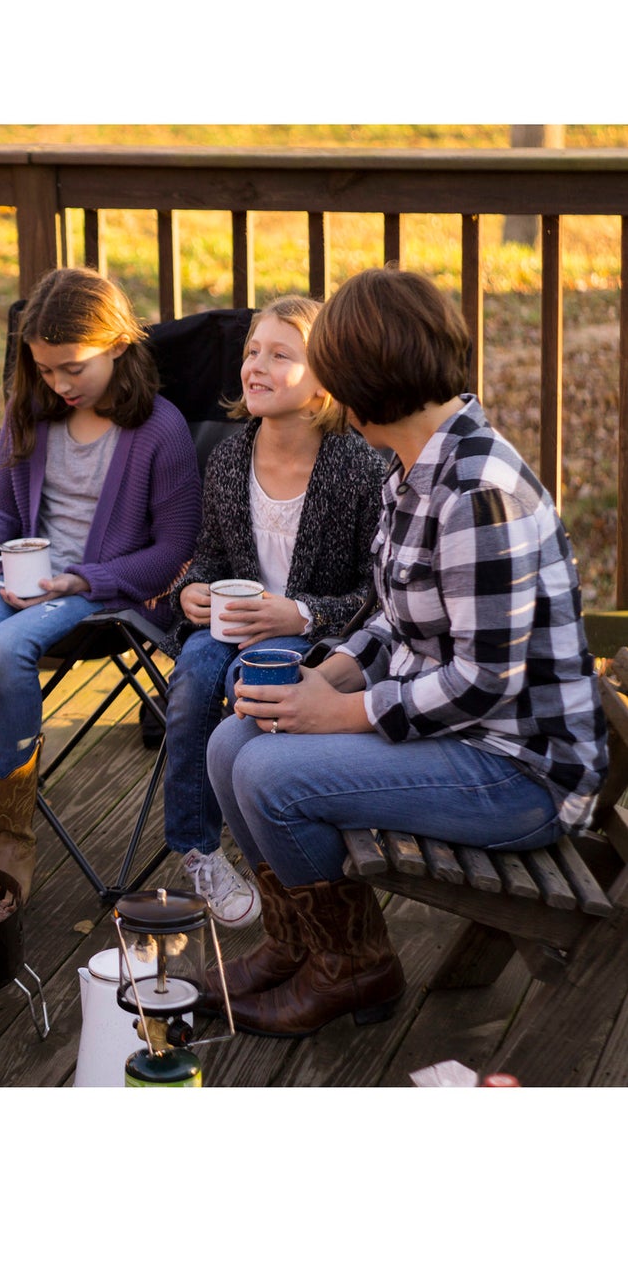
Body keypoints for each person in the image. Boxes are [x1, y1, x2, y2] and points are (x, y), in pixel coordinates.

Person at [205, 268, 608, 1036]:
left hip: (517, 771)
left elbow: (485, 682)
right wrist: (325, 671)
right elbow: (393, 618)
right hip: (458, 736)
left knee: (268, 772)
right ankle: (296, 945)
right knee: (232, 741)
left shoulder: (475, 492)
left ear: (361, 385)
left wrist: (342, 712)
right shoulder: (414, 466)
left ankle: (354, 970)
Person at [0, 267, 201, 902]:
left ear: (119, 345)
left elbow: (174, 551)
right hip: (21, 576)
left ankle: (13, 835)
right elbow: (5, 516)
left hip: (101, 591)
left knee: (4, 648)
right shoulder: (30, 414)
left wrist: (81, 578)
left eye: (74, 367)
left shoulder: (160, 429)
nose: (60, 383)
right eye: (46, 370)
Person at [160, 296, 385, 928]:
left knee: (250, 684)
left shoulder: (360, 468)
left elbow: (376, 594)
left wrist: (302, 614)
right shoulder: (232, 458)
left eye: (280, 355)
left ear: (324, 384)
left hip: (317, 641)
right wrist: (192, 592)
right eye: (252, 351)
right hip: (228, 625)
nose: (256, 365)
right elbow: (209, 556)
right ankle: (198, 850)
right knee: (195, 679)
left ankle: (280, 852)